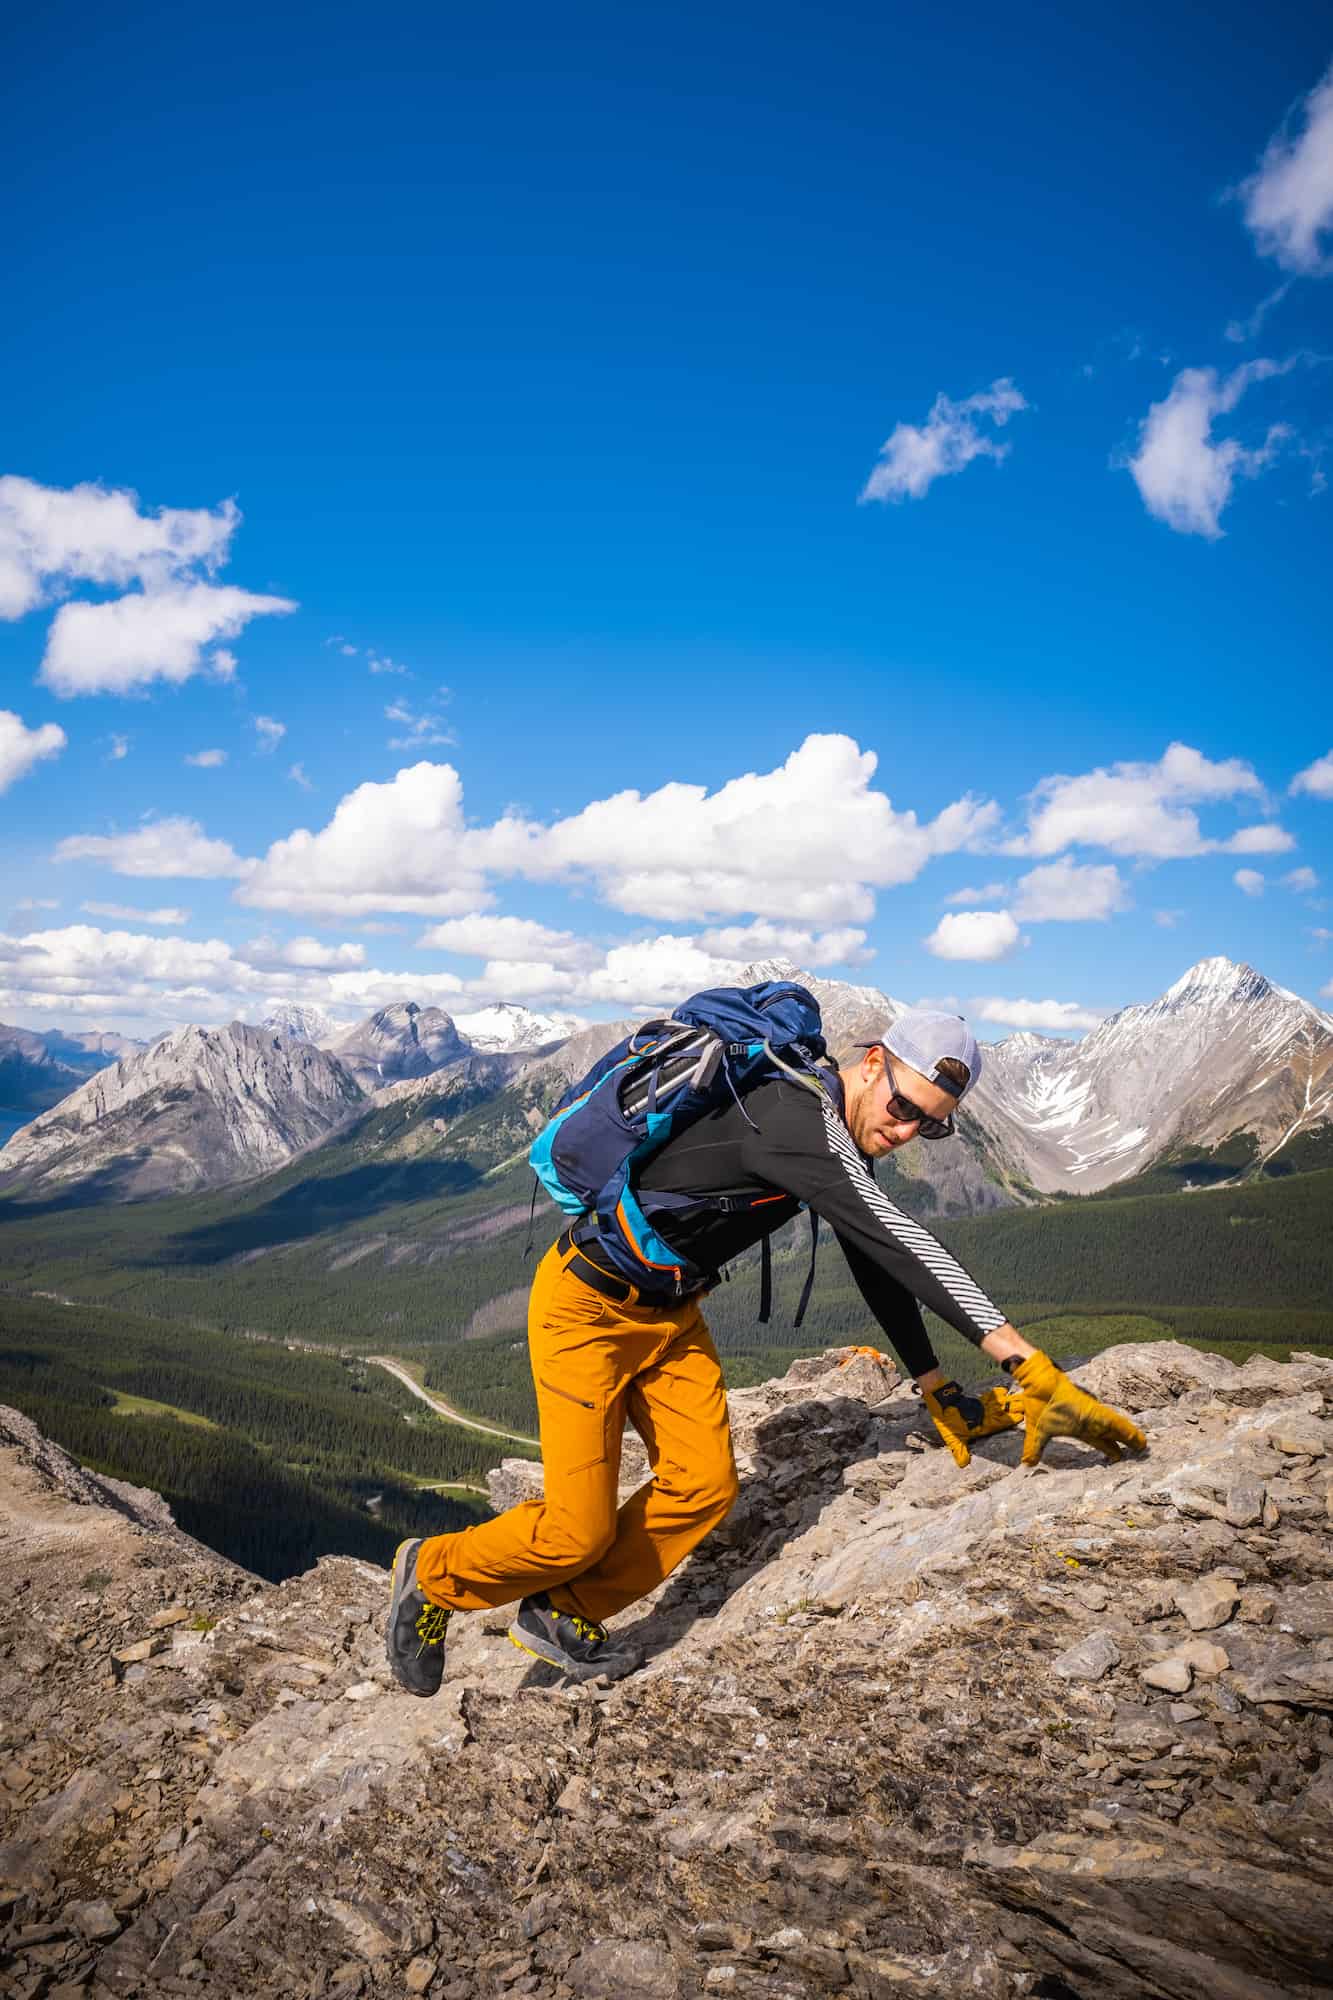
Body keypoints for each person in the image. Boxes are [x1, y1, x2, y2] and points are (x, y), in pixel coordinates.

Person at [385, 1008, 1146, 1696]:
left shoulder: (834, 1134)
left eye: (932, 1125)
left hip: (672, 1313)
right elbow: (899, 1239)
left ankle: (566, 1612)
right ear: (872, 1061)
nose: (909, 1129)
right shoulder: (788, 1116)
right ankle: (435, 1575)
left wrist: (934, 1384)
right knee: (572, 1530)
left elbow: (871, 1255)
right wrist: (1025, 1361)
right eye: (906, 1108)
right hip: (585, 1307)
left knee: (704, 1483)